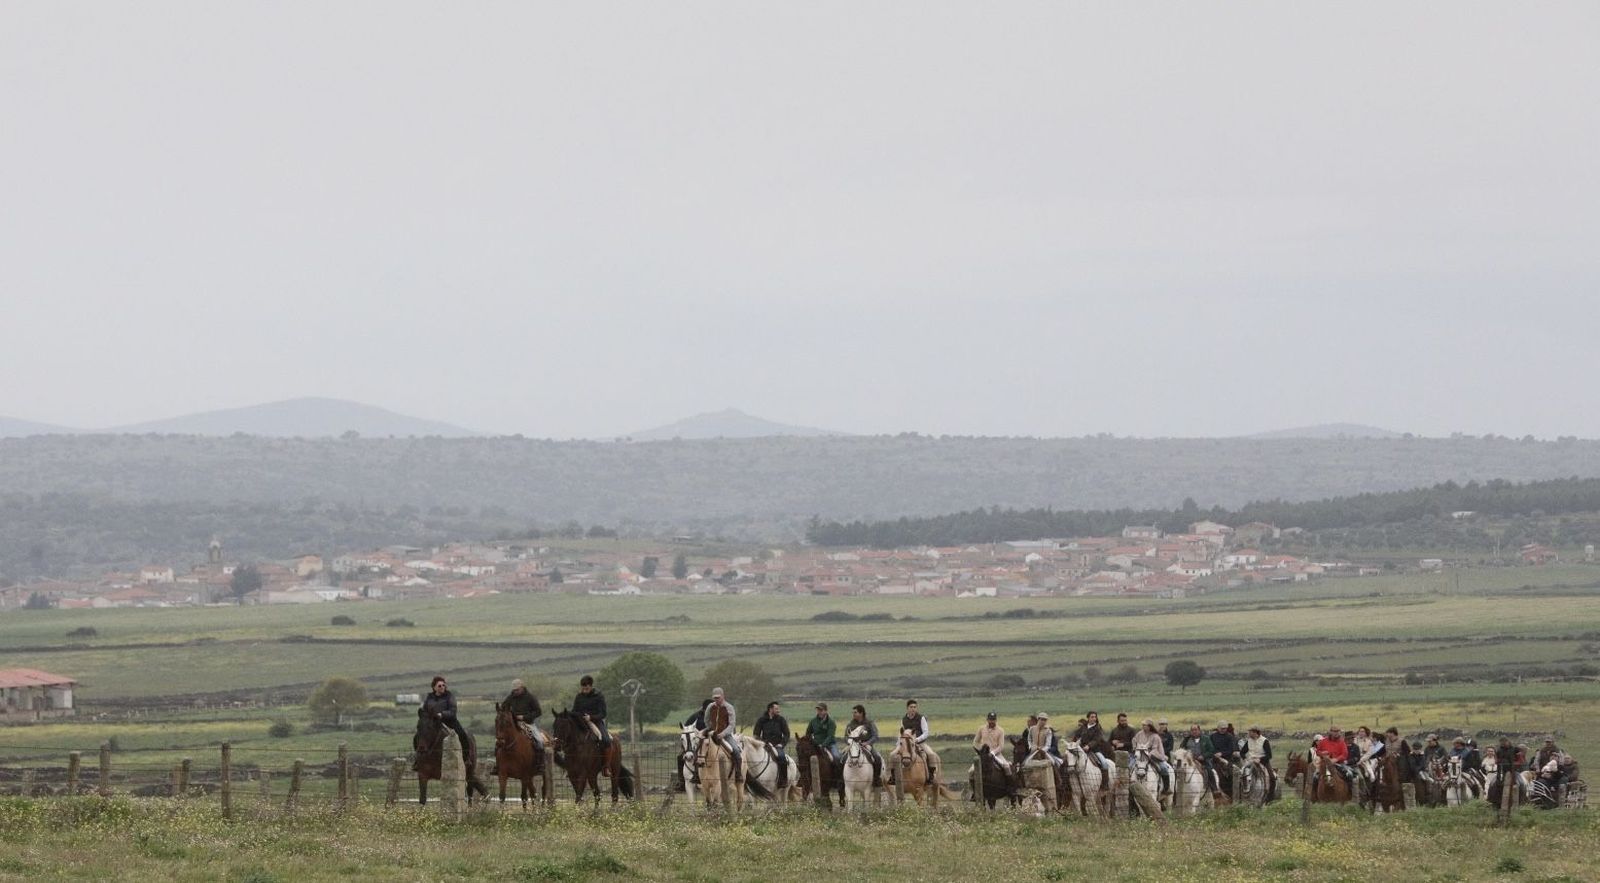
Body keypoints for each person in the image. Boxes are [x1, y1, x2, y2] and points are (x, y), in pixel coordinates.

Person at [422, 676, 472, 766]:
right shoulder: (429, 697)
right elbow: (425, 709)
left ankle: (466, 758)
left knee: (462, 734)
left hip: (449, 721)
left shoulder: (449, 696)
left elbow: (453, 710)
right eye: (439, 686)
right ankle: (418, 760)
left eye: (443, 685)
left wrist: (442, 714)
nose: (442, 687)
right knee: (419, 736)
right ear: (434, 687)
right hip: (433, 722)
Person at [894, 699, 941, 784]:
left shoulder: (921, 718)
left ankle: (931, 776)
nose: (913, 709)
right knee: (893, 755)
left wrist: (917, 740)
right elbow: (901, 733)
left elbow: (926, 732)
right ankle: (894, 776)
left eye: (915, 707)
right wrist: (898, 744)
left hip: (920, 742)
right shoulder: (903, 720)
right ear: (907, 708)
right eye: (911, 707)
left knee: (931, 754)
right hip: (905, 744)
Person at [699, 687, 740, 776]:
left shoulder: (729, 707)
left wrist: (723, 733)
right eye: (715, 698)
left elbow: (732, 724)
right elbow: (706, 719)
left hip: (725, 735)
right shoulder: (710, 706)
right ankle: (696, 774)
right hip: (712, 733)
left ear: (723, 696)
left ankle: (738, 773)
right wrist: (710, 729)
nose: (716, 699)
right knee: (697, 747)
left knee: (736, 750)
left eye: (718, 697)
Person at [752, 701, 791, 788]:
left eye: (778, 708)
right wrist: (762, 742)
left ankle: (783, 780)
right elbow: (756, 735)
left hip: (777, 745)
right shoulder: (761, 720)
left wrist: (782, 744)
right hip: (764, 745)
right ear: (770, 709)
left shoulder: (781, 720)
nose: (778, 710)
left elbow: (787, 734)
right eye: (776, 709)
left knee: (782, 757)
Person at [501, 678, 545, 749]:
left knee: (540, 741)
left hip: (528, 724)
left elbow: (538, 712)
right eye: (514, 690)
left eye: (517, 690)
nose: (515, 692)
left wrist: (524, 717)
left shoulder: (530, 697)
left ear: (522, 687)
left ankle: (540, 759)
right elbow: (503, 707)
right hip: (513, 724)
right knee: (500, 740)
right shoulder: (511, 697)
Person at [1131, 718, 1171, 793]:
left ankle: (1166, 788)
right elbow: (1134, 740)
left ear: (1149, 726)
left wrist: (1148, 754)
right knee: (1130, 766)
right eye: (1142, 725)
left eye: (1145, 725)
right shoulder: (1139, 734)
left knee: (1164, 768)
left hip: (1154, 756)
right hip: (1141, 755)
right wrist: (1135, 748)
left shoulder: (1155, 736)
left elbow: (1155, 748)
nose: (1143, 727)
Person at [849, 705, 883, 786]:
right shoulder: (851, 724)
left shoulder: (869, 723)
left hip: (866, 745)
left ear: (861, 713)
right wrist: (850, 743)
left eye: (855, 712)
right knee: (841, 758)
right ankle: (842, 780)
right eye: (853, 712)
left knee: (877, 758)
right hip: (853, 746)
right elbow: (846, 736)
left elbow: (875, 736)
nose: (853, 714)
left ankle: (876, 778)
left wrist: (867, 743)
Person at [572, 675, 610, 747]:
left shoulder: (599, 696)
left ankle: (604, 757)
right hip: (580, 721)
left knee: (606, 740)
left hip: (595, 721)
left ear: (591, 686)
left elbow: (603, 713)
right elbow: (574, 710)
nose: (584, 690)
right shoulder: (579, 696)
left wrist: (591, 717)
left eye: (586, 688)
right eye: (583, 688)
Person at [1076, 711, 1116, 778]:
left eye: (1095, 717)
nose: (1094, 718)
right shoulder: (1083, 727)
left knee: (1104, 763)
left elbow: (1097, 740)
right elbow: (1077, 736)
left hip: (1095, 750)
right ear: (1088, 718)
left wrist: (1089, 746)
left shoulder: (1098, 728)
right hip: (1082, 749)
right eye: (1092, 717)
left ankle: (1104, 784)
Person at [1242, 724, 1275, 799]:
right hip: (1251, 761)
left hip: (1263, 761)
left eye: (1250, 732)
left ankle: (1270, 795)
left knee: (1272, 777)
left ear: (1255, 732)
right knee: (1241, 774)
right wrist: (1245, 759)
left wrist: (1260, 759)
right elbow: (1242, 752)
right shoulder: (1249, 741)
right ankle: (1242, 792)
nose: (1248, 734)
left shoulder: (1264, 741)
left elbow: (1269, 755)